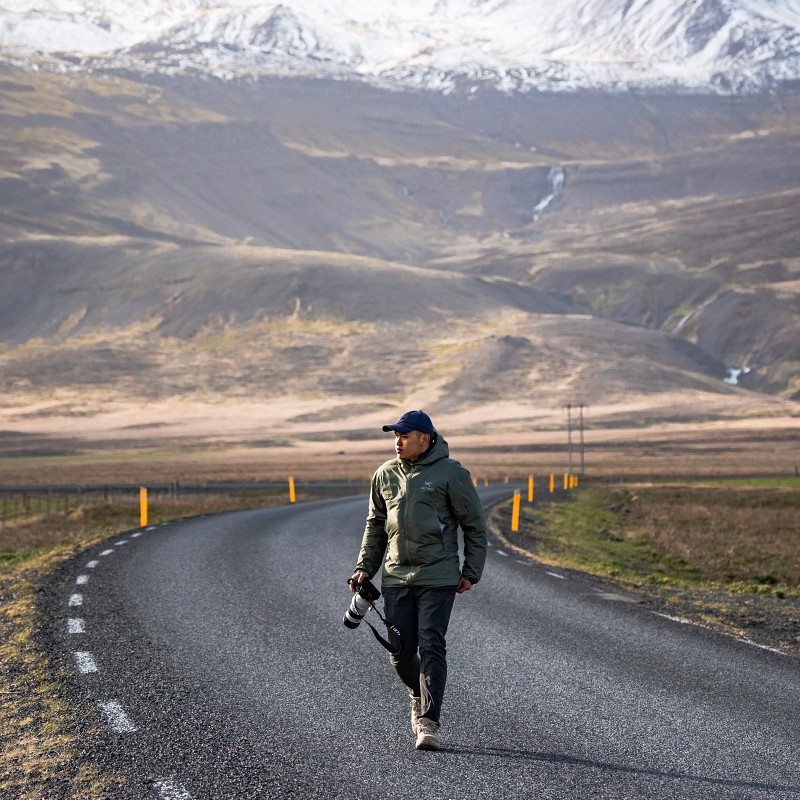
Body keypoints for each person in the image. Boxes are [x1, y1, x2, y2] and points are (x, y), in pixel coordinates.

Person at [350, 410, 487, 751]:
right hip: (396, 575)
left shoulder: (451, 474)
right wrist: (364, 567)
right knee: (399, 651)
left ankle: (428, 722)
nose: (397, 441)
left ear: (424, 439)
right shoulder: (384, 474)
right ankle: (417, 691)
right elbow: (375, 525)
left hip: (438, 575)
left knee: (431, 645)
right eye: (395, 436)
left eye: (405, 435)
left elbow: (474, 525)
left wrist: (471, 571)